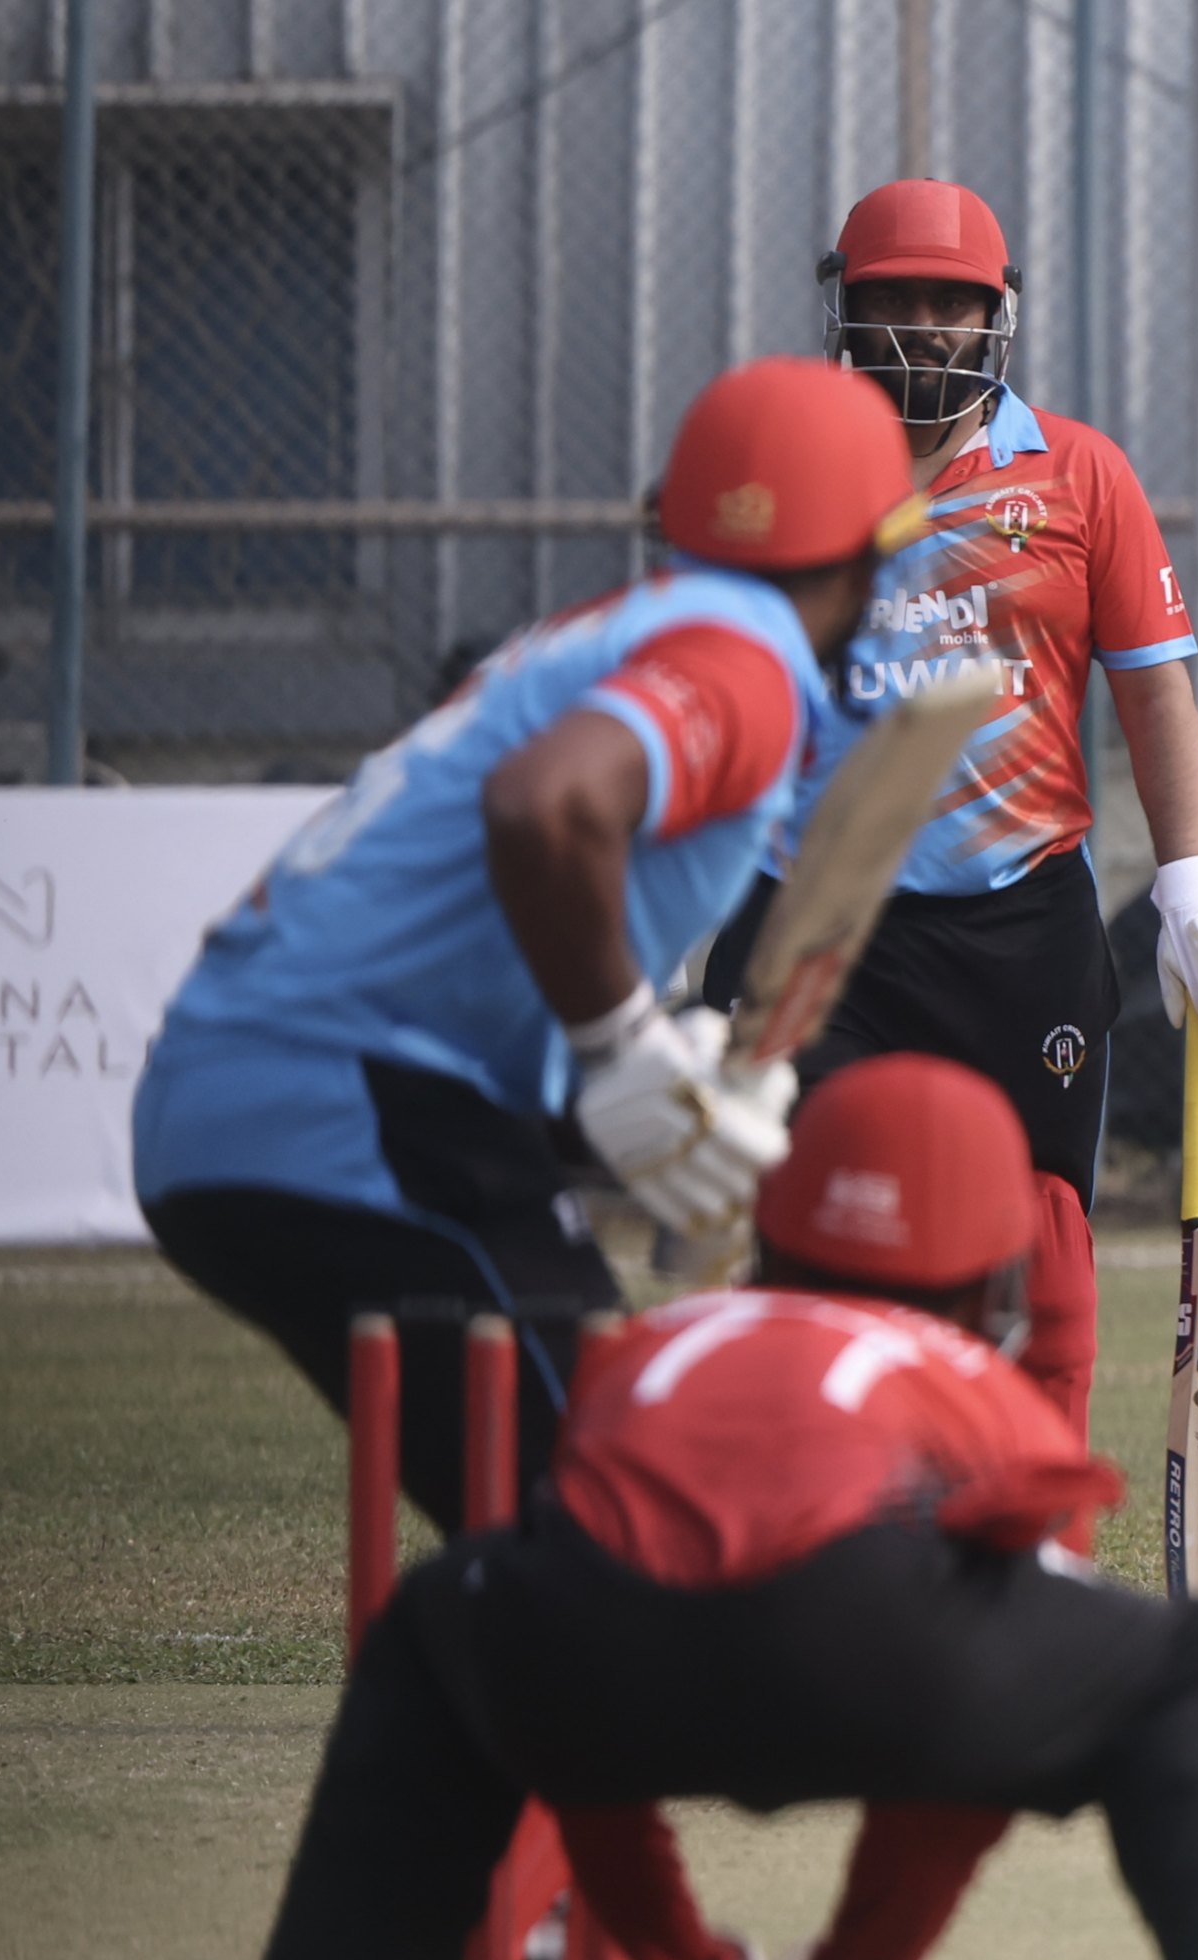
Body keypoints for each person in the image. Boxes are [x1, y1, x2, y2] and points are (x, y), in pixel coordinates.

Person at [193, 1054, 1198, 1960]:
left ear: (776, 1225)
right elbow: (958, 1765)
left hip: (595, 1651)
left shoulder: (654, 1344)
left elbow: (584, 1716)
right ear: (996, 1274)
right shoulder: (975, 1383)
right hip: (873, 1638)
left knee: (440, 1633)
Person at [136, 354, 914, 1533]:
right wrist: (626, 1049)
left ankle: (482, 1698)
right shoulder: (747, 650)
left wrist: (657, 1091)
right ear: (866, 550)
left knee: (586, 1497)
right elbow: (545, 807)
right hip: (341, 1098)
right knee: (619, 1515)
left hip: (289, 1084)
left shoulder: (643, 623)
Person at [701, 178, 1198, 1442]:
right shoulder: (778, 478)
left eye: (951, 304)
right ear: (844, 312)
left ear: (995, 316)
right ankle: (823, 1509)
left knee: (1037, 1233)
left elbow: (1155, 694)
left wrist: (1191, 881)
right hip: (819, 917)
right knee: (809, 1217)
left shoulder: (1080, 474)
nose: (924, 330)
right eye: (894, 301)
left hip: (1018, 920)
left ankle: (1030, 1522)